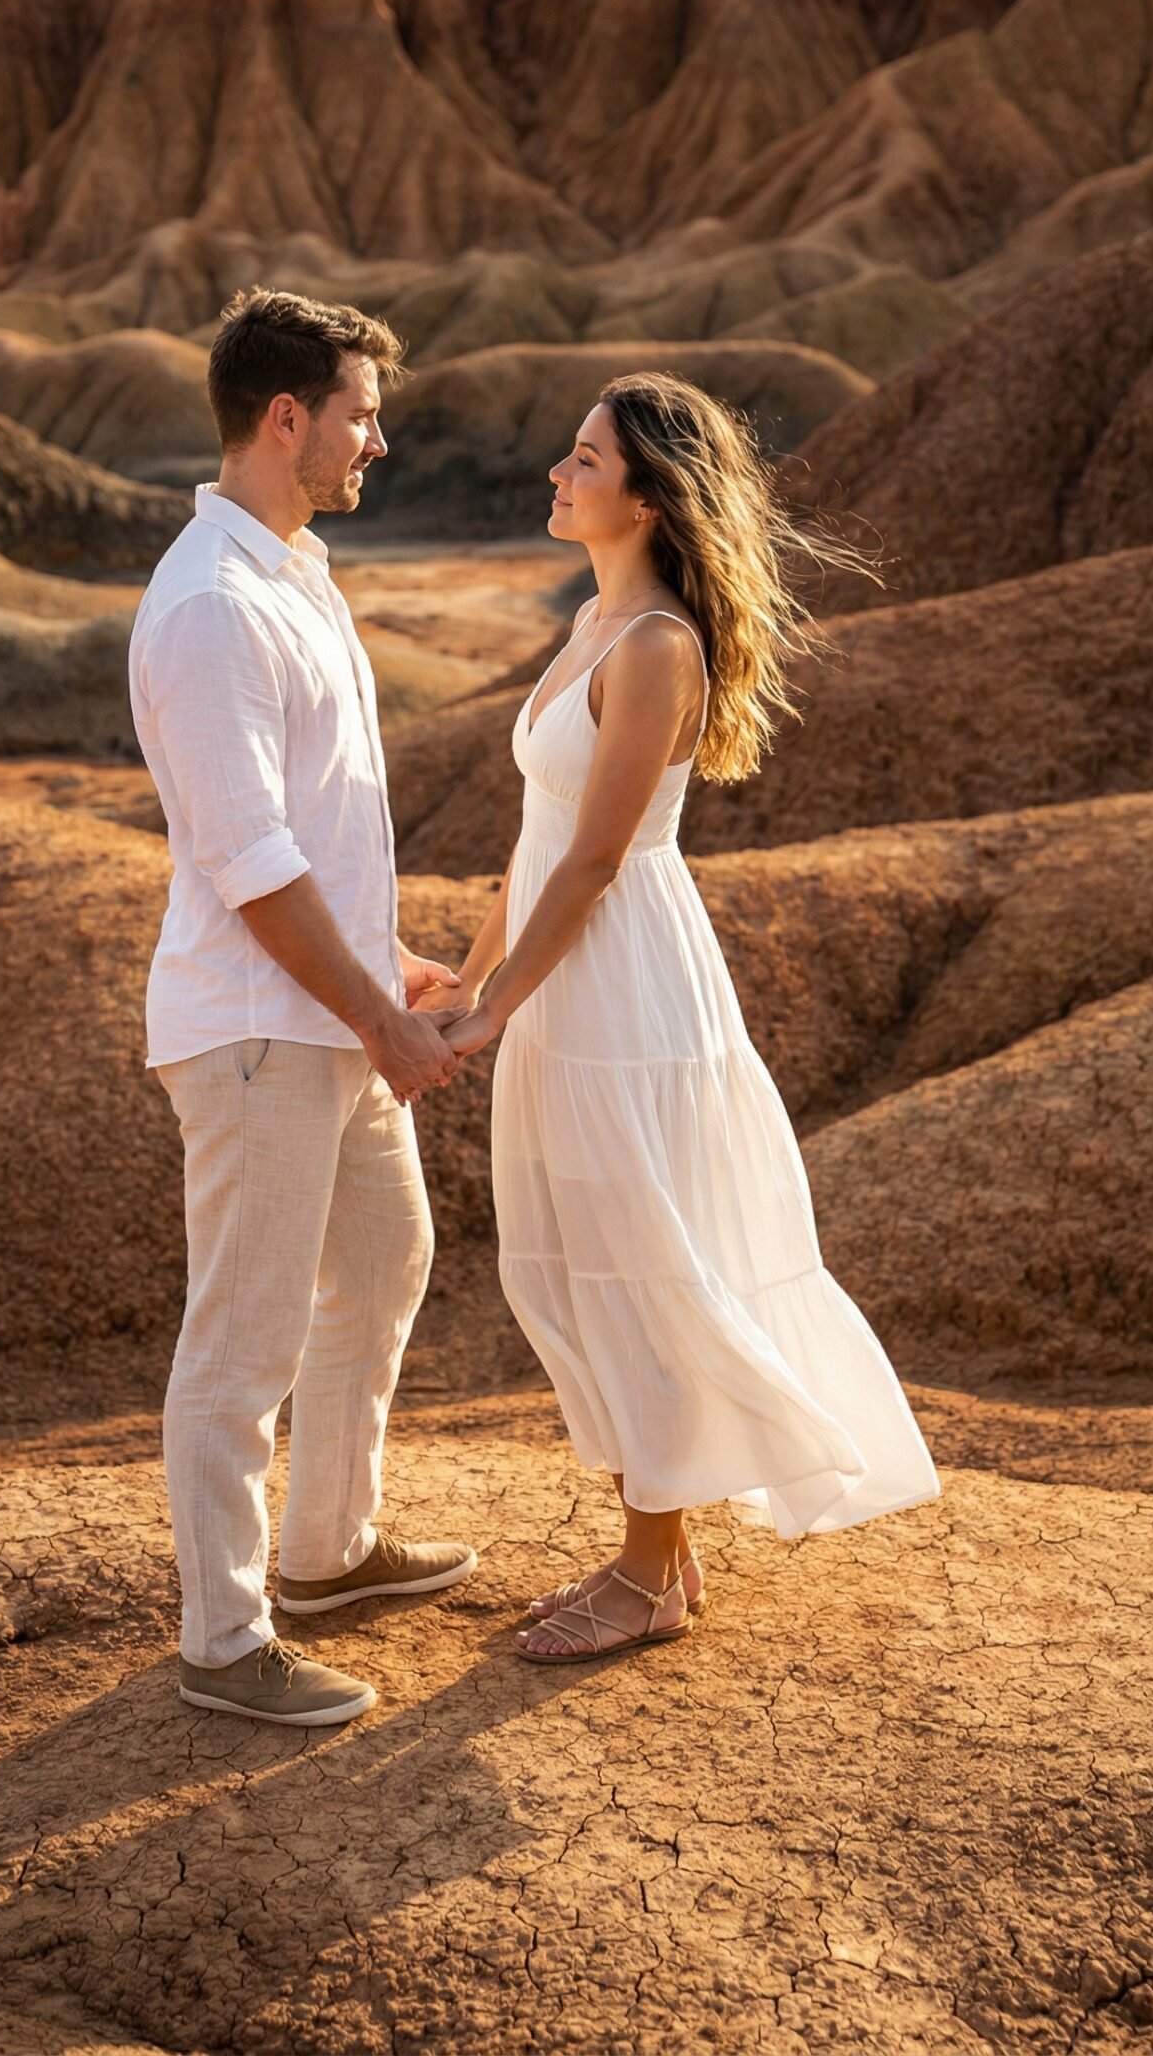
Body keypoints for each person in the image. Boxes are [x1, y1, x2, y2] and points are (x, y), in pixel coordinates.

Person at [432, 373, 939, 1662]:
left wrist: (496, 1007)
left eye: (586, 459)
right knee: (588, 1253)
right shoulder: (596, 625)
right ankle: (655, 1549)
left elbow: (598, 861)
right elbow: (536, 844)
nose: (558, 468)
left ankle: (654, 1569)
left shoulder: (656, 644)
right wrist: (469, 971)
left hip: (622, 986)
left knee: (638, 1251)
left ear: (650, 500)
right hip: (567, 974)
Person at [130, 288, 477, 1728]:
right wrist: (383, 1018)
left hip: (321, 1012)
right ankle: (225, 1637)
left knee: (387, 1262)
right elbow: (251, 860)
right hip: (259, 1034)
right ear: (287, 420)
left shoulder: (292, 572)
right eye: (359, 414)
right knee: (244, 1337)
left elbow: (320, 836)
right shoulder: (210, 605)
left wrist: (383, 970)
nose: (375, 441)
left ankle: (330, 1550)